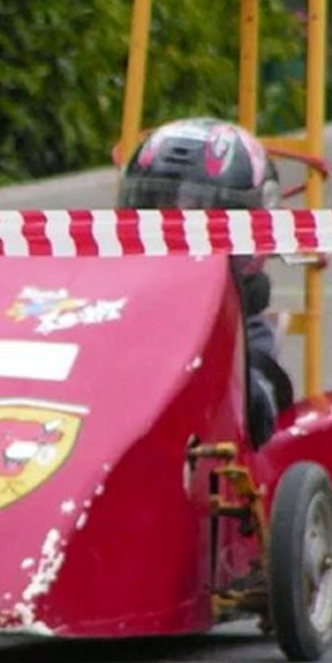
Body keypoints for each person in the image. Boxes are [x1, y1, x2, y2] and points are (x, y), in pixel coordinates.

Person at [117, 117, 293, 446]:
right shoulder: (114, 308)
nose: (173, 239)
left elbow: (259, 413)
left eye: (196, 223)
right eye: (157, 217)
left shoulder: (245, 330)